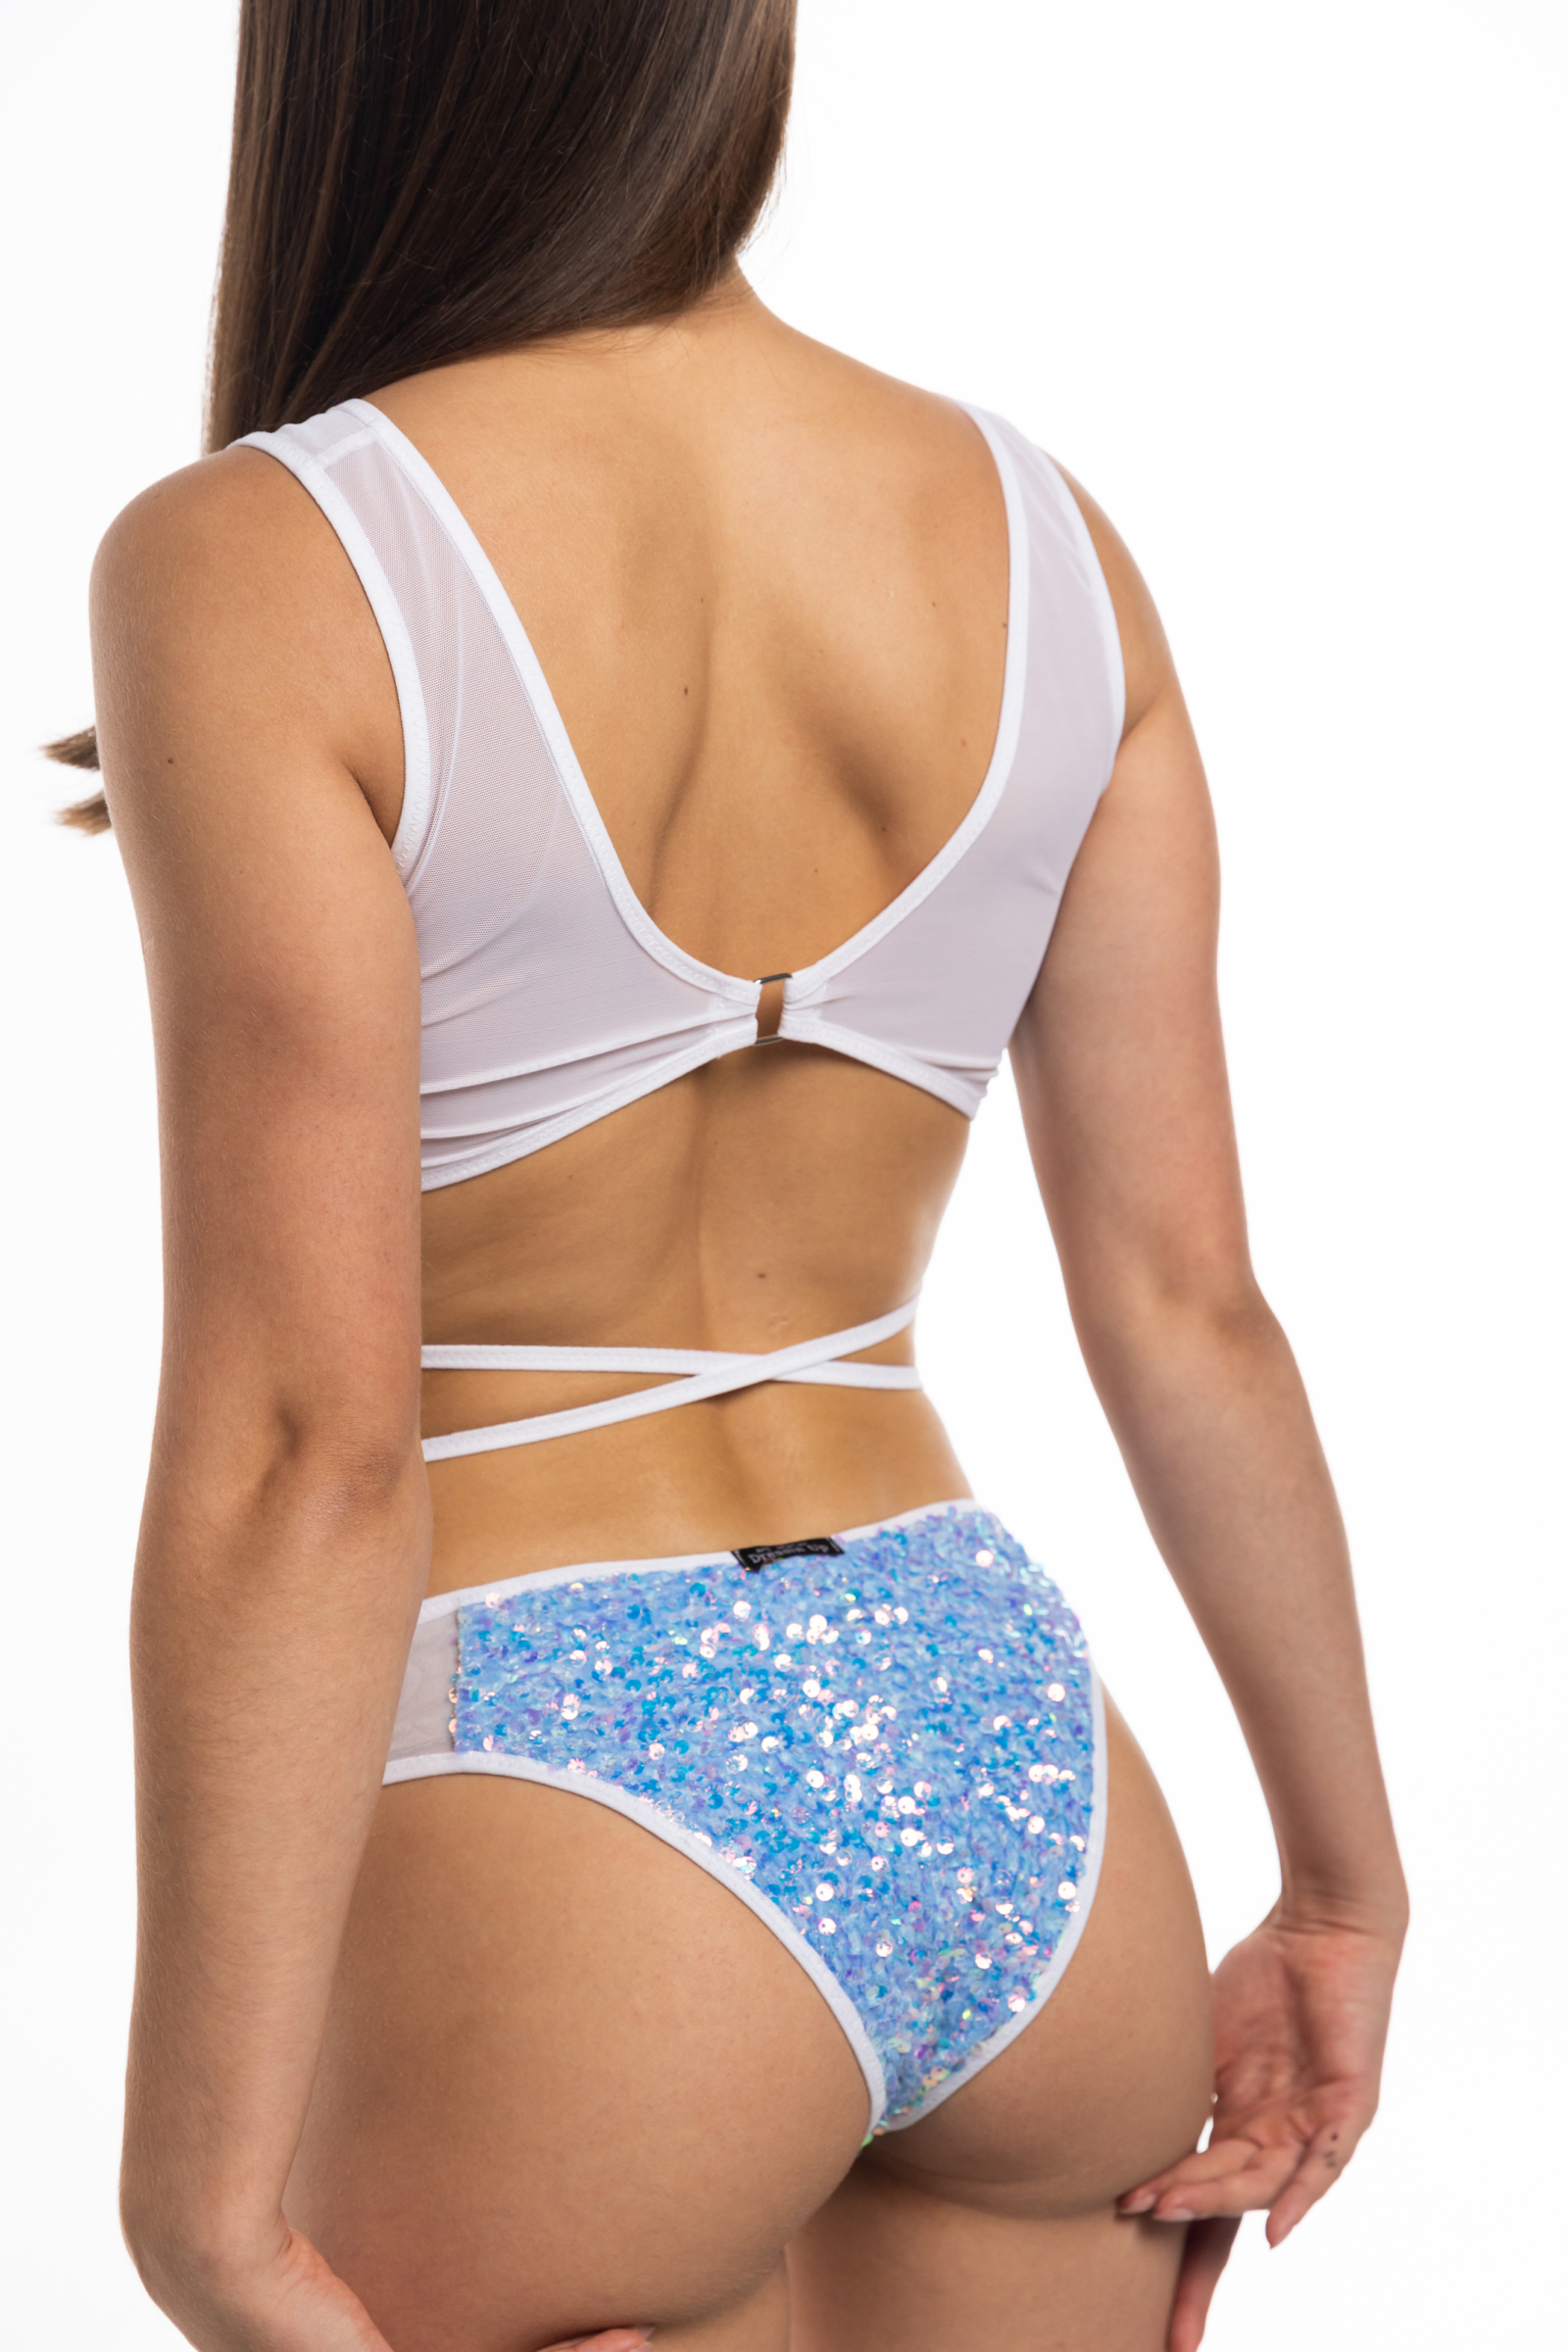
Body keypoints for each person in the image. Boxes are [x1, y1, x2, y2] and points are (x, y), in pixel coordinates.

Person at [63, 3, 1406, 2346]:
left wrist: (198, 2202)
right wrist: (1336, 1887)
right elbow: (1188, 1310)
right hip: (1004, 1764)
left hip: (561, 1782)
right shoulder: (1040, 540)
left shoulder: (268, 557)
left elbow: (305, 1448)